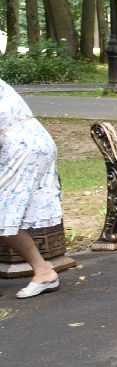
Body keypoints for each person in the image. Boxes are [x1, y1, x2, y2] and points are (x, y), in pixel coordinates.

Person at [0, 78, 65, 298]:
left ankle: (44, 272)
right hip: (32, 140)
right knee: (8, 214)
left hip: (19, 147)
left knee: (4, 213)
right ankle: (44, 272)